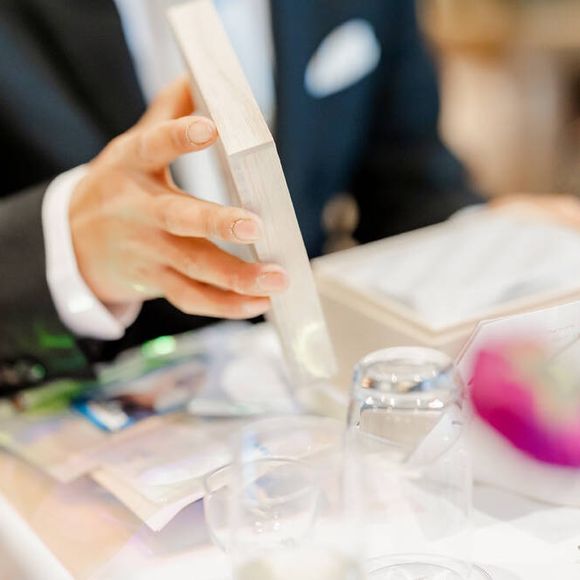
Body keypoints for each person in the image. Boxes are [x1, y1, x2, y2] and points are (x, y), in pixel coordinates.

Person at [0, 0, 481, 393]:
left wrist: (490, 250)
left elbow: (412, 182)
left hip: (320, 398)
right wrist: (65, 248)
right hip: (65, 414)